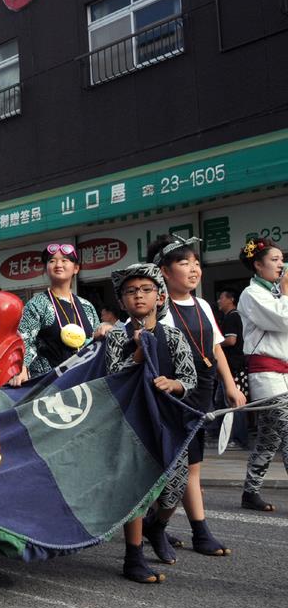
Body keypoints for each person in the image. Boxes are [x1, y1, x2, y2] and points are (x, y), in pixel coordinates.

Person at [148, 234, 246, 558]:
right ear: (163, 271)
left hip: (203, 392)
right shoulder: (159, 309)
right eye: (183, 262)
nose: (193, 269)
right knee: (178, 468)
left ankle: (178, 527)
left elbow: (215, 348)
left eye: (197, 263)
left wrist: (230, 386)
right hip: (175, 395)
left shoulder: (203, 304)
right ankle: (175, 528)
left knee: (192, 468)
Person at [106, 263, 196, 583]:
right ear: (122, 301)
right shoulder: (118, 337)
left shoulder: (172, 336)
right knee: (138, 490)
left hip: (169, 421)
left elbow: (190, 378)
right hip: (132, 424)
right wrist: (137, 358)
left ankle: (158, 529)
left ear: (159, 297)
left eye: (145, 290)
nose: (138, 296)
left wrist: (173, 384)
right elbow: (113, 378)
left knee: (175, 487)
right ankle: (133, 557)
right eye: (131, 291)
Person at [10, 243, 108, 385]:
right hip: (49, 384)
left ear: (76, 268)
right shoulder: (37, 304)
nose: (58, 264)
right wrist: (21, 367)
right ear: (46, 269)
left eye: (64, 260)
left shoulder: (86, 306)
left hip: (84, 380)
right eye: (52, 261)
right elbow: (23, 339)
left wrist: (105, 329)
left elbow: (96, 340)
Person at [237, 238, 288, 512]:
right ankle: (251, 491)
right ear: (258, 265)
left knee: (270, 438)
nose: (281, 264)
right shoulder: (251, 294)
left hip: (284, 372)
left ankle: (250, 492)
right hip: (267, 374)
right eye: (275, 259)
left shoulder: (278, 293)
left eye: (282, 259)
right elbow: (283, 320)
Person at [216, 289, 250, 447]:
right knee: (223, 401)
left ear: (231, 299)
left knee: (234, 402)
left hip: (233, 367)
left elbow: (231, 340)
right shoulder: (235, 316)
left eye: (221, 298)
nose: (218, 301)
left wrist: (214, 344)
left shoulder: (232, 317)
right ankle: (228, 437)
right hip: (234, 365)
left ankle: (238, 439)